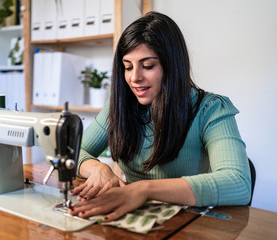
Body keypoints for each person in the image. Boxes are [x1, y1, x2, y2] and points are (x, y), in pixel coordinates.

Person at [68, 11, 251, 222]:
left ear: (172, 66)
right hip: (136, 216)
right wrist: (98, 168)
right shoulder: (120, 105)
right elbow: (75, 151)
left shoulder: (211, 109)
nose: (134, 78)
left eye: (148, 66)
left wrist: (144, 190)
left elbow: (239, 183)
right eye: (127, 67)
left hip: (185, 222)